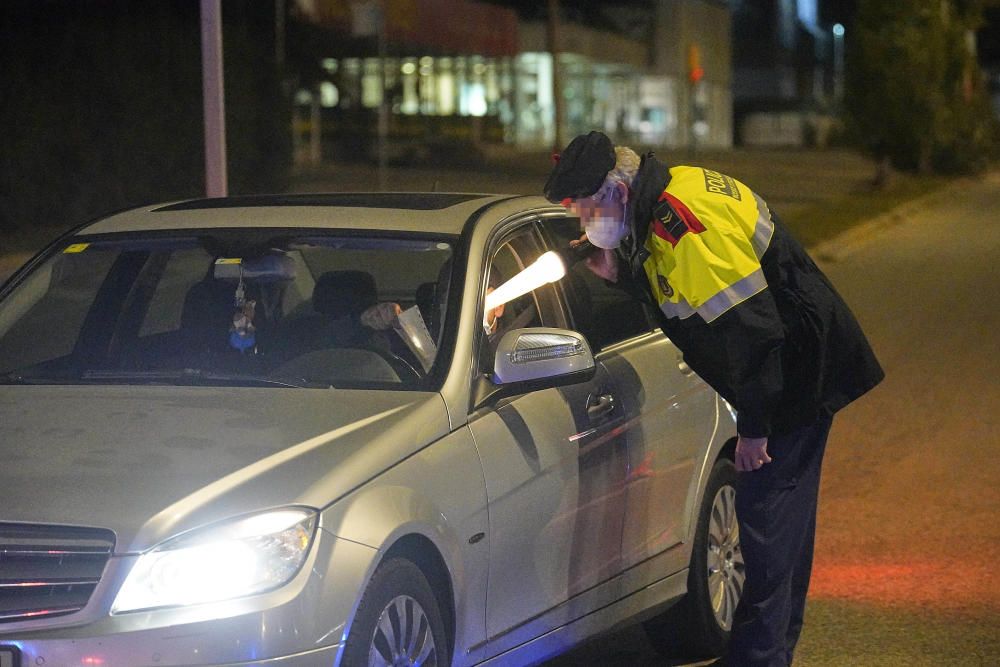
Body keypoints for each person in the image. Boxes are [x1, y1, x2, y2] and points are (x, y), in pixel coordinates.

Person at [544, 131, 884, 666]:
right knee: (783, 529)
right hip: (796, 364)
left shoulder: (682, 227)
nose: (584, 220)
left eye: (586, 207)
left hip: (791, 377)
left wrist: (754, 429)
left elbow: (753, 332)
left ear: (616, 191)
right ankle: (769, 652)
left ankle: (758, 658)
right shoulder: (670, 196)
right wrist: (626, 274)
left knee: (767, 529)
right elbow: (686, 293)